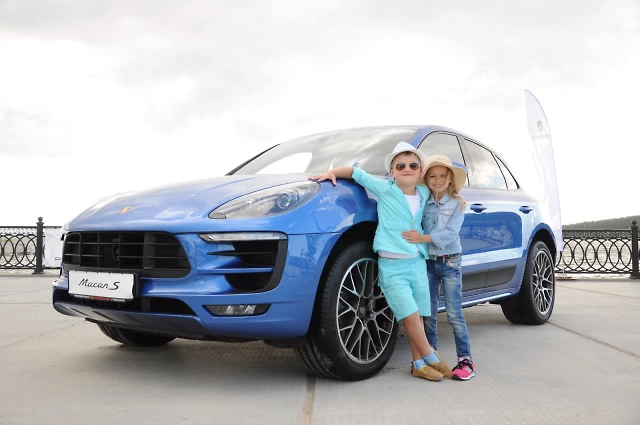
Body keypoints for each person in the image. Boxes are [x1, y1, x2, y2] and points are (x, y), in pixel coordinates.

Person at [310, 142, 451, 381]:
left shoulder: (424, 193)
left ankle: (418, 364)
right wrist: (333, 172)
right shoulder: (386, 189)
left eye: (413, 165)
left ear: (420, 171)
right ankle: (432, 356)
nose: (407, 169)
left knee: (417, 316)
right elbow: (357, 174)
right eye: (401, 166)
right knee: (408, 315)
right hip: (393, 266)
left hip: (417, 262)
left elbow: (444, 189)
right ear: (392, 172)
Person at [401, 154, 475, 381]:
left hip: (450, 261)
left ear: (450, 178)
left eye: (442, 176)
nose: (438, 180)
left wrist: (423, 239)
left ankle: (465, 360)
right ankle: (430, 357)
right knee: (428, 313)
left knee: (454, 314)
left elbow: (451, 233)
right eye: (432, 176)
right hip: (429, 262)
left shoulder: (457, 204)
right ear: (426, 180)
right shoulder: (423, 204)